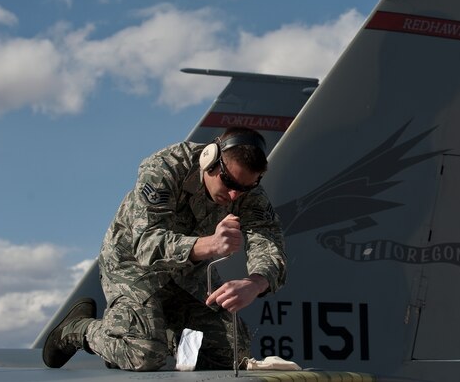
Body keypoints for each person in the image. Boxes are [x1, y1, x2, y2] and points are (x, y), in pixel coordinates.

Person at [42, 127, 286, 371]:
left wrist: (256, 282)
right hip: (133, 264)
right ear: (209, 159)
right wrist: (208, 244)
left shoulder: (246, 190)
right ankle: (78, 329)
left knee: (233, 353)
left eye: (244, 188)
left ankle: (140, 334)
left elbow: (268, 240)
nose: (234, 195)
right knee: (144, 354)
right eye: (229, 182)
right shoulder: (166, 167)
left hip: (188, 272)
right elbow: (146, 243)